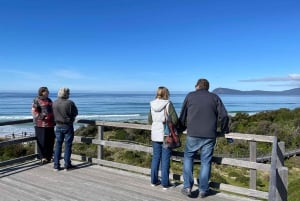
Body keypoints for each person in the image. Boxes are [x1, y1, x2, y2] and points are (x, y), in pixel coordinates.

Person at [179, 78, 229, 198]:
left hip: (193, 133)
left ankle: (187, 187)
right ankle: (203, 190)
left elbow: (183, 115)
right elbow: (224, 116)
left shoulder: (190, 96)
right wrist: (224, 130)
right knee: (206, 162)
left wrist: (181, 128)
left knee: (188, 158)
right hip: (209, 135)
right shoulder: (214, 97)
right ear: (207, 87)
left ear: (197, 86)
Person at [148, 86, 178, 189]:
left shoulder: (152, 104)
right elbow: (175, 120)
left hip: (155, 134)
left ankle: (154, 181)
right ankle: (165, 183)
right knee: (165, 159)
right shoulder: (168, 104)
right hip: (166, 136)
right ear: (166, 94)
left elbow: (149, 120)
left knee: (155, 158)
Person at [52, 87, 78, 171]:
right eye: (69, 93)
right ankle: (67, 165)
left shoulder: (54, 103)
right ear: (67, 94)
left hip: (58, 126)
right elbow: (75, 113)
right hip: (67, 126)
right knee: (68, 145)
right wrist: (71, 118)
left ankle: (56, 165)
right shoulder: (70, 103)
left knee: (58, 145)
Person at [32, 87, 55, 164]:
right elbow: (34, 112)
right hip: (40, 124)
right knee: (42, 141)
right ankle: (42, 157)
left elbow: (53, 110)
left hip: (50, 124)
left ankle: (49, 156)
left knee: (50, 141)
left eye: (48, 91)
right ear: (42, 92)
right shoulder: (36, 100)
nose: (48, 92)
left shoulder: (49, 100)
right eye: (46, 91)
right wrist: (43, 117)